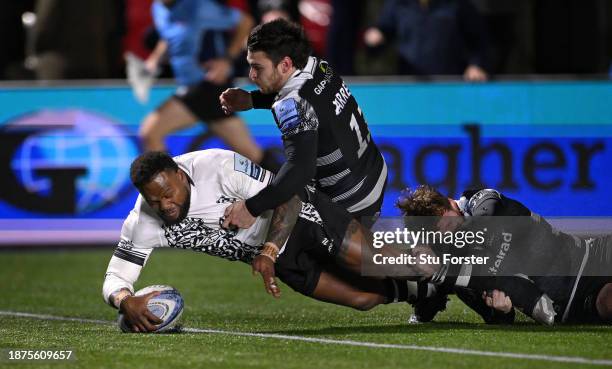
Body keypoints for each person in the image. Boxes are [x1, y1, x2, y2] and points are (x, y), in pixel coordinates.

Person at [102, 150, 433, 332]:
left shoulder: (218, 167)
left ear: (178, 173)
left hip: (303, 219)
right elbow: (116, 277)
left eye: (167, 194)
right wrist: (124, 301)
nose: (165, 206)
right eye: (154, 201)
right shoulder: (144, 221)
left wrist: (269, 249)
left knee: (378, 261)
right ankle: (426, 294)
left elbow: (287, 198)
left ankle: (476, 269)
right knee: (366, 298)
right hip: (279, 262)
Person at [219, 19, 388, 231]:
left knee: (289, 257)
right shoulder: (317, 65)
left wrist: (251, 208)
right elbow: (312, 103)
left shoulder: (291, 104)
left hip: (351, 201)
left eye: (257, 67)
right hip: (372, 170)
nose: (251, 75)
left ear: (285, 64)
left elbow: (300, 169)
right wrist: (253, 100)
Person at [397, 185, 612, 324]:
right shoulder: (463, 278)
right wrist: (501, 311)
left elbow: (489, 210)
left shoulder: (477, 200)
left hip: (593, 252)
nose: (452, 233)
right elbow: (499, 318)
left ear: (451, 202)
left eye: (449, 222)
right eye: (442, 234)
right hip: (573, 299)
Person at [139, 0, 278, 172]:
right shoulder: (158, 9)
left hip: (207, 85)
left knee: (150, 133)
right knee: (251, 153)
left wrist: (226, 60)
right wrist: (154, 59)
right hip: (200, 90)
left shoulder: (199, 6)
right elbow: (168, 36)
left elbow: (245, 22)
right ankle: (293, 190)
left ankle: (173, 193)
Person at [363, 0, 489, 81]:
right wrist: (375, 36)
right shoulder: (398, 4)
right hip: (410, 84)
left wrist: (476, 65)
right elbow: (384, 30)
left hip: (449, 84)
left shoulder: (458, 5)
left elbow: (479, 41)